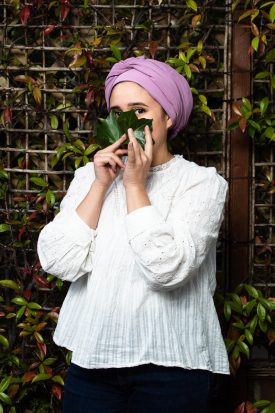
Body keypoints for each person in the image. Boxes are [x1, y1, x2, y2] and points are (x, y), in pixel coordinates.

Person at [37, 56, 229, 413]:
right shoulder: (89, 178)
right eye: (117, 113)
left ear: (168, 117)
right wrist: (99, 187)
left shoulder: (202, 184)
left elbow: (168, 269)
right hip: (94, 364)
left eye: (139, 111)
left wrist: (134, 187)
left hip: (172, 367)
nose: (127, 125)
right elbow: (58, 261)